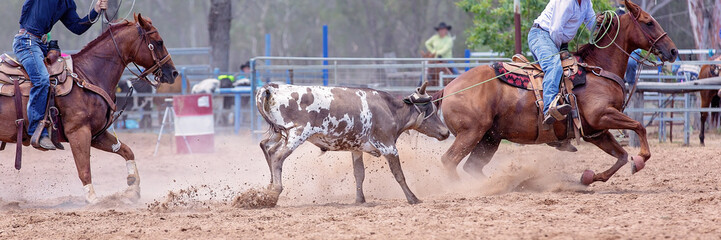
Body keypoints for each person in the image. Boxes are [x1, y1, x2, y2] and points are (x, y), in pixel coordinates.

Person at [13, 0, 107, 150]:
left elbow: (77, 27)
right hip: (27, 43)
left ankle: (58, 127)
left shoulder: (67, 3)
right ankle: (37, 130)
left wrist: (95, 10)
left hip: (40, 45)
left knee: (66, 77)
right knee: (42, 80)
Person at [528, 0, 597, 126]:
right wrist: (560, 49)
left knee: (571, 69)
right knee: (554, 66)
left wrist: (603, 23)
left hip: (555, 39)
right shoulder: (567, 1)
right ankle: (549, 109)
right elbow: (555, 29)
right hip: (542, 35)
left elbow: (592, 25)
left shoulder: (586, 3)